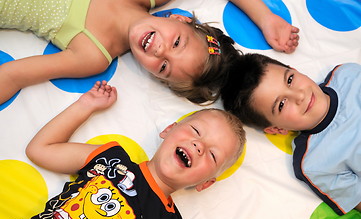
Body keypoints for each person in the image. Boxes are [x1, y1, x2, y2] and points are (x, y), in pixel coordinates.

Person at [8, 80, 245, 219]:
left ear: (205, 183)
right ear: (169, 129)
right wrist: (85, 105)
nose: (199, 146)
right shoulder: (111, 158)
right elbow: (40, 149)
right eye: (195, 131)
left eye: (213, 155)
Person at [0, 0, 299, 105]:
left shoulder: (93, 54)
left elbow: (12, 75)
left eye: (164, 67)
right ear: (180, 19)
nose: (159, 51)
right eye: (177, 43)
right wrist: (266, 18)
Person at [221, 53, 361, 216]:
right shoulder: (313, 163)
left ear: (295, 70)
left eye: (290, 80)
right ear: (277, 129)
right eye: (281, 104)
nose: (299, 95)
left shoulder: (347, 74)